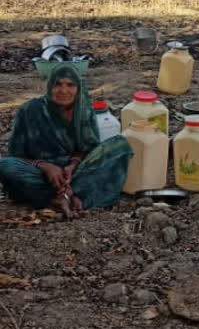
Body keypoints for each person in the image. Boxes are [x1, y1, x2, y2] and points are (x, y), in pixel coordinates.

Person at [0, 65, 133, 219]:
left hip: (73, 174)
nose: (64, 91)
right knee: (5, 165)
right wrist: (46, 166)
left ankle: (67, 195)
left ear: (78, 88)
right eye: (58, 84)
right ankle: (66, 196)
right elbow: (16, 155)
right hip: (39, 174)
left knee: (120, 145)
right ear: (50, 86)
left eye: (70, 85)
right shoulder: (29, 111)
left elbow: (88, 148)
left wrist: (72, 165)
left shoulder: (84, 111)